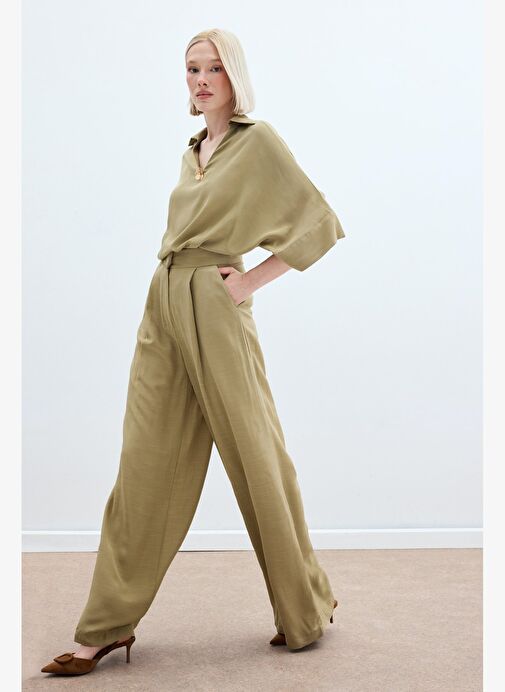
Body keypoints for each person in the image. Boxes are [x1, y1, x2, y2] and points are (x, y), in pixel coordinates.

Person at [41, 27, 345, 676]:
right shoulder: (192, 152)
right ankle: (104, 628)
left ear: (235, 76)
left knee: (256, 456)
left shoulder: (257, 142)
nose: (201, 80)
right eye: (191, 69)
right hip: (164, 300)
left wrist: (248, 283)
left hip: (215, 302)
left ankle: (305, 605)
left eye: (214, 68)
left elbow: (318, 224)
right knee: (143, 459)